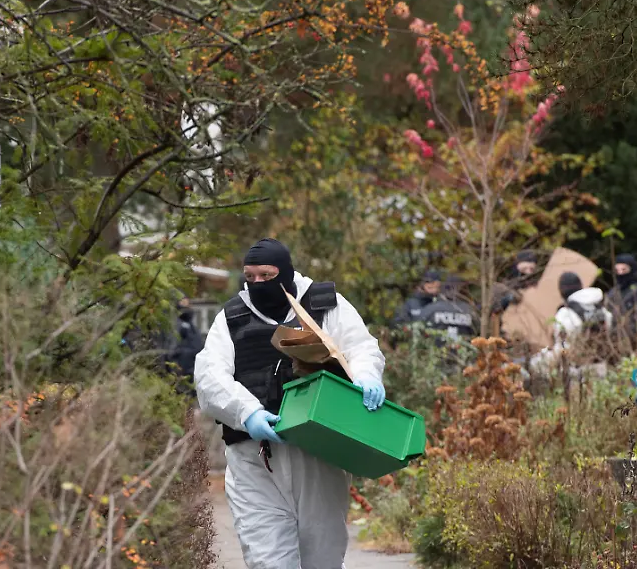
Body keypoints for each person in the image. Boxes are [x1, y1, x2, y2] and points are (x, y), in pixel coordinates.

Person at [194, 238, 386, 568]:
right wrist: (247, 411)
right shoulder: (232, 317)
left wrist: (367, 375)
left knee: (322, 556)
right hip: (254, 459)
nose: (257, 284)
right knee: (269, 559)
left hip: (318, 456)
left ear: (285, 272)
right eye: (249, 276)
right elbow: (209, 376)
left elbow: (361, 348)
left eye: (266, 276)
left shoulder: (325, 304)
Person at [553, 271, 612, 348]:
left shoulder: (565, 313)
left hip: (579, 357)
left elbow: (563, 346)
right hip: (604, 354)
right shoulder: (598, 307)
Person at [417, 274, 477, 341]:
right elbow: (478, 332)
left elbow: (418, 330)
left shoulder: (430, 309)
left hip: (436, 350)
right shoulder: (469, 310)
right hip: (464, 349)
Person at [164, 294, 204, 382]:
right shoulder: (176, 325)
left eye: (187, 302)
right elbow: (171, 351)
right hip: (182, 373)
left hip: (194, 372)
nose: (187, 304)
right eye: (183, 302)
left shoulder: (192, 326)